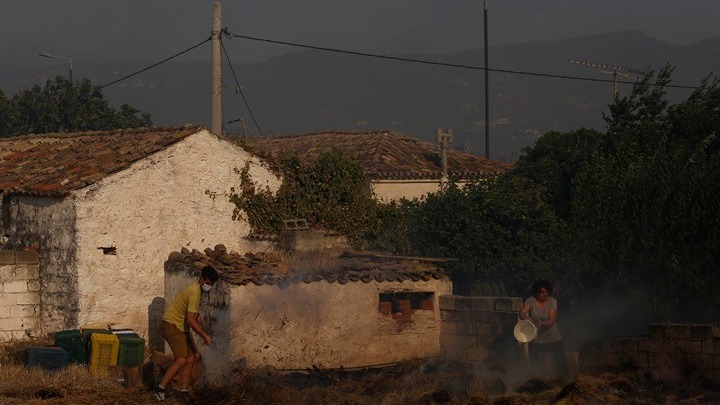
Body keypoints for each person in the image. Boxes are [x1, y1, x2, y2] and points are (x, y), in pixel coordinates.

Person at [154, 265, 219, 401]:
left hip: (181, 326)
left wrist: (197, 315)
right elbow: (190, 320)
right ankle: (160, 389)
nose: (209, 286)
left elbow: (190, 310)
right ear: (201, 279)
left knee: (193, 357)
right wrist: (205, 336)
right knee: (182, 359)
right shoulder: (195, 291)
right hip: (171, 325)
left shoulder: (199, 290)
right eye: (207, 283)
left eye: (211, 284)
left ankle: (183, 390)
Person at [518, 280, 568, 377]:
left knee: (560, 362)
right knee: (536, 363)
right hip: (537, 338)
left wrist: (542, 323)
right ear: (536, 292)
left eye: (546, 292)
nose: (544, 294)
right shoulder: (531, 300)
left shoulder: (552, 302)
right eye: (541, 292)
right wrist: (527, 318)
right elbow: (522, 313)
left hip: (553, 337)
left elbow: (552, 320)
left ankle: (564, 381)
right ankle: (538, 383)